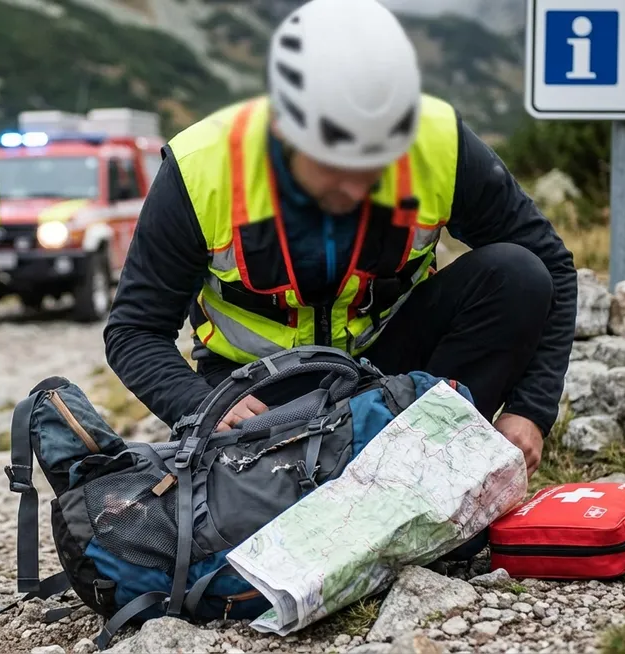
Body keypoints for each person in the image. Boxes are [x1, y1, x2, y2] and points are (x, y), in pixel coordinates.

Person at [103, 0, 577, 484]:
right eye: (335, 161)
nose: (356, 187)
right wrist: (205, 404)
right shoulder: (203, 168)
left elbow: (551, 264)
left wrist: (531, 410)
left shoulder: (438, 142)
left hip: (391, 368)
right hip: (261, 391)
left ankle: (435, 473)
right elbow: (134, 332)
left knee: (517, 274)